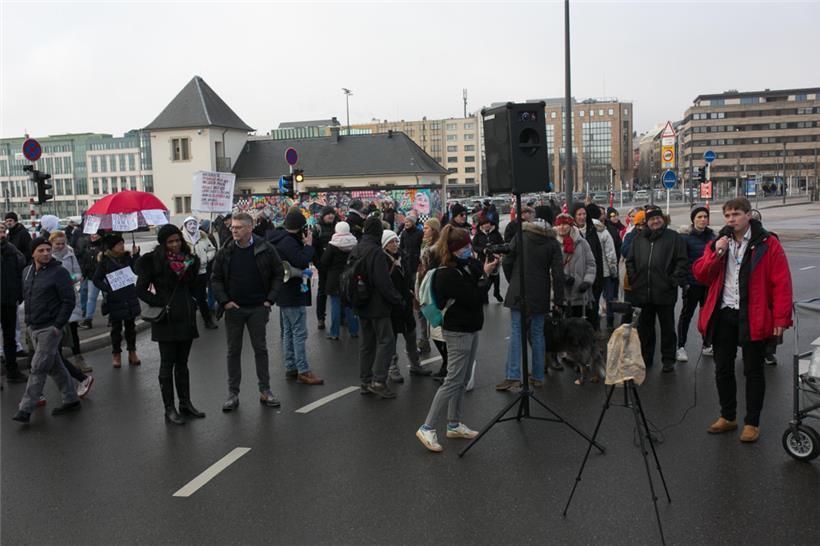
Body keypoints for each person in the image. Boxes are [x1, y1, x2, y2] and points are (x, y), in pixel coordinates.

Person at [694, 198, 793, 443]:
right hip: (725, 312)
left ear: (749, 215)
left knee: (753, 370)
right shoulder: (720, 242)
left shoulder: (768, 244)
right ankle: (728, 416)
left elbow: (782, 283)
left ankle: (752, 422)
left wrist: (781, 318)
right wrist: (717, 252)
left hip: (753, 314)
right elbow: (701, 274)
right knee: (723, 368)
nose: (731, 219)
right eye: (727, 215)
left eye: (736, 214)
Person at [415, 225, 500, 453]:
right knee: (453, 379)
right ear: (453, 249)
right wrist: (486, 276)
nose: (468, 250)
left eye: (469, 245)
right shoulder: (446, 274)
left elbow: (477, 286)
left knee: (462, 379)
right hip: (458, 329)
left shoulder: (463, 266)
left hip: (470, 327)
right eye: (464, 247)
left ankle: (454, 423)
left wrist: (483, 270)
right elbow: (474, 297)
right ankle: (427, 427)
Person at [211, 212, 285, 411]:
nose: (233, 230)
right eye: (233, 227)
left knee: (260, 350)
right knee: (233, 351)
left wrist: (270, 299)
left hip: (258, 308)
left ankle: (265, 391)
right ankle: (232, 394)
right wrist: (225, 302)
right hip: (234, 309)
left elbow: (279, 273)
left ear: (250, 228)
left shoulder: (265, 248)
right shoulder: (226, 250)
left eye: (238, 227)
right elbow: (215, 278)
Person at [136, 224, 205, 425]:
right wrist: (161, 303)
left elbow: (193, 287)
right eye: (170, 242)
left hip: (186, 316)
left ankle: (185, 403)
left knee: (183, 364)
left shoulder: (189, 260)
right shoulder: (153, 262)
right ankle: (169, 408)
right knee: (167, 364)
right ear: (163, 243)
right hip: (165, 319)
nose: (175, 244)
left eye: (177, 240)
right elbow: (140, 290)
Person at [12, 237, 81, 424]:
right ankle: (71, 399)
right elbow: (27, 297)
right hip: (33, 326)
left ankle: (25, 409)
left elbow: (69, 301)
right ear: (33, 253)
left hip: (50, 328)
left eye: (48, 250)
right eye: (41, 250)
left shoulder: (59, 272)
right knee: (55, 366)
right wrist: (28, 323)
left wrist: (58, 325)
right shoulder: (27, 272)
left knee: (38, 367)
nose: (45, 253)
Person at [495, 218, 564, 391]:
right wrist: (558, 300)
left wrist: (514, 280)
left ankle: (513, 375)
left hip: (519, 289)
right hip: (540, 291)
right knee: (538, 333)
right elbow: (558, 273)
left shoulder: (521, 236)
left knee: (517, 331)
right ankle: (538, 376)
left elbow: (507, 260)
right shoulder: (552, 242)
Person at [625, 206, 688, 372]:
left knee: (667, 328)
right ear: (647, 221)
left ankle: (668, 360)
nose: (655, 221)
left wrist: (672, 281)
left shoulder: (673, 237)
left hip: (665, 291)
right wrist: (634, 280)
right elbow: (630, 261)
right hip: (643, 292)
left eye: (658, 218)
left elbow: (682, 261)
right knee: (645, 328)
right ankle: (646, 358)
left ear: (663, 219)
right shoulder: (639, 238)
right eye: (652, 219)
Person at [268, 209, 324, 385]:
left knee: (289, 332)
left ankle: (291, 367)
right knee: (299, 332)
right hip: (292, 292)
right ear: (300, 227)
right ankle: (303, 370)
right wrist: (308, 245)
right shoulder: (289, 243)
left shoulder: (279, 239)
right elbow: (301, 260)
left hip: (285, 292)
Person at [350, 216, 404, 398]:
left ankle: (365, 381)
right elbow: (383, 282)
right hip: (378, 305)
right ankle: (379, 381)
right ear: (378, 232)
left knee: (367, 344)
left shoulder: (357, 248)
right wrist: (397, 299)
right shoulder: (376, 252)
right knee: (386, 341)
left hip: (361, 302)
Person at [382, 230, 430, 382]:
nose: (395, 245)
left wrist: (411, 294)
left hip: (406, 304)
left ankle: (416, 365)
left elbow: (408, 277)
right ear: (384, 244)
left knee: (411, 335)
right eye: (391, 242)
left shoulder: (403, 257)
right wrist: (397, 299)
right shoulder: (382, 260)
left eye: (396, 241)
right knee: (392, 339)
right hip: (392, 306)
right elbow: (384, 285)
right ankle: (392, 369)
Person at [93, 234, 141, 368]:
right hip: (115, 299)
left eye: (122, 243)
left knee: (131, 327)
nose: (122, 246)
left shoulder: (127, 258)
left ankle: (132, 352)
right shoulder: (105, 261)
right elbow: (96, 279)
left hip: (129, 296)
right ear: (112, 247)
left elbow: (137, 270)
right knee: (116, 329)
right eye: (119, 244)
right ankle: (116, 354)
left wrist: (136, 256)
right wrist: (108, 288)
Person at [676, 206, 715, 362]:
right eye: (699, 217)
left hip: (708, 284)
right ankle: (681, 347)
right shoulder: (685, 238)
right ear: (693, 219)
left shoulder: (712, 236)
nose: (703, 219)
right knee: (686, 315)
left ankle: (707, 344)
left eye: (705, 216)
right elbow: (681, 262)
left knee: (708, 316)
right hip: (692, 284)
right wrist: (684, 283)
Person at [49, 231, 91, 373]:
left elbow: (78, 273)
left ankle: (78, 359)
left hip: (69, 296)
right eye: (57, 244)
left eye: (63, 243)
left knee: (73, 331)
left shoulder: (70, 255)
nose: (60, 246)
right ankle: (59, 362)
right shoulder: (47, 256)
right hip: (54, 298)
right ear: (52, 244)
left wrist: (70, 278)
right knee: (57, 330)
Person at [321, 221, 359, 340]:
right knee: (350, 305)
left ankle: (334, 333)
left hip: (335, 278)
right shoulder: (355, 243)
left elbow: (324, 261)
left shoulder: (333, 245)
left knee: (335, 305)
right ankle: (354, 330)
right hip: (350, 277)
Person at [0, 223, 27, 383]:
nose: (1, 234)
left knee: (10, 337)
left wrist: (19, 293)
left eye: (3, 231)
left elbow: (21, 269)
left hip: (9, 300)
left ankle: (12, 370)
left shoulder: (11, 251)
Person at [572, 203, 604, 330]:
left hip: (593, 280)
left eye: (584, 214)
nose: (582, 217)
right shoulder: (570, 232)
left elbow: (597, 255)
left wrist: (599, 279)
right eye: (579, 214)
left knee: (592, 313)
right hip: (577, 281)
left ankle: (593, 340)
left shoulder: (592, 231)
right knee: (577, 317)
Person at [182, 216, 218, 329]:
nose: (192, 226)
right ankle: (188, 323)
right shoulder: (181, 239)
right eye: (189, 224)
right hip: (187, 274)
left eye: (194, 223)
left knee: (201, 298)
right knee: (188, 298)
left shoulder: (203, 237)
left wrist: (206, 258)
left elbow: (212, 249)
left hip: (201, 272)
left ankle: (207, 320)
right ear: (185, 226)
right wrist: (186, 262)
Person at [589, 206, 619, 330]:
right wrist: (614, 272)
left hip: (591, 272)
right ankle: (610, 323)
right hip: (605, 272)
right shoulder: (603, 231)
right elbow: (611, 255)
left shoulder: (586, 230)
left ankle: (595, 324)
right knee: (609, 298)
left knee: (594, 299)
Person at [416, 218, 441, 357]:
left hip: (430, 283)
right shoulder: (425, 243)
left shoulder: (437, 247)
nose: (423, 230)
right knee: (421, 312)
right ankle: (424, 339)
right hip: (421, 281)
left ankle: (436, 341)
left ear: (434, 230)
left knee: (431, 312)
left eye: (426, 228)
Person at [312, 206, 337, 331]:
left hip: (336, 267)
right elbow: (314, 248)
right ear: (323, 216)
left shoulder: (338, 227)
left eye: (332, 213)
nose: (331, 216)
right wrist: (318, 264)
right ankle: (321, 318)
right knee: (322, 292)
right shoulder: (317, 229)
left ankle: (340, 318)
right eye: (328, 214)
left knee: (337, 292)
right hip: (323, 267)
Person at [472, 217, 504, 304]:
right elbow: (474, 246)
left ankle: (496, 293)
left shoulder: (496, 233)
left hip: (495, 259)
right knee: (486, 280)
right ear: (481, 226)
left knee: (496, 278)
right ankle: (484, 297)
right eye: (484, 224)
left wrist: (499, 252)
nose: (486, 225)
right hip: (483, 260)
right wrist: (483, 250)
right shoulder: (478, 235)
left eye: (488, 223)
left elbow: (502, 244)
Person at [77, 230, 104, 329]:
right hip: (92, 277)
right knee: (91, 298)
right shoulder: (87, 246)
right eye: (92, 233)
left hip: (104, 277)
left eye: (96, 234)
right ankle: (88, 320)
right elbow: (85, 262)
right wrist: (84, 274)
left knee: (108, 298)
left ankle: (112, 319)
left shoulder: (104, 246)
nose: (93, 236)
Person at [398, 215, 423, 291]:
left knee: (415, 281)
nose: (406, 224)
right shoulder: (404, 233)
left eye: (408, 222)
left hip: (416, 260)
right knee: (407, 280)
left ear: (413, 222)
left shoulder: (420, 233)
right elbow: (401, 246)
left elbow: (421, 246)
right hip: (406, 260)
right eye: (405, 222)